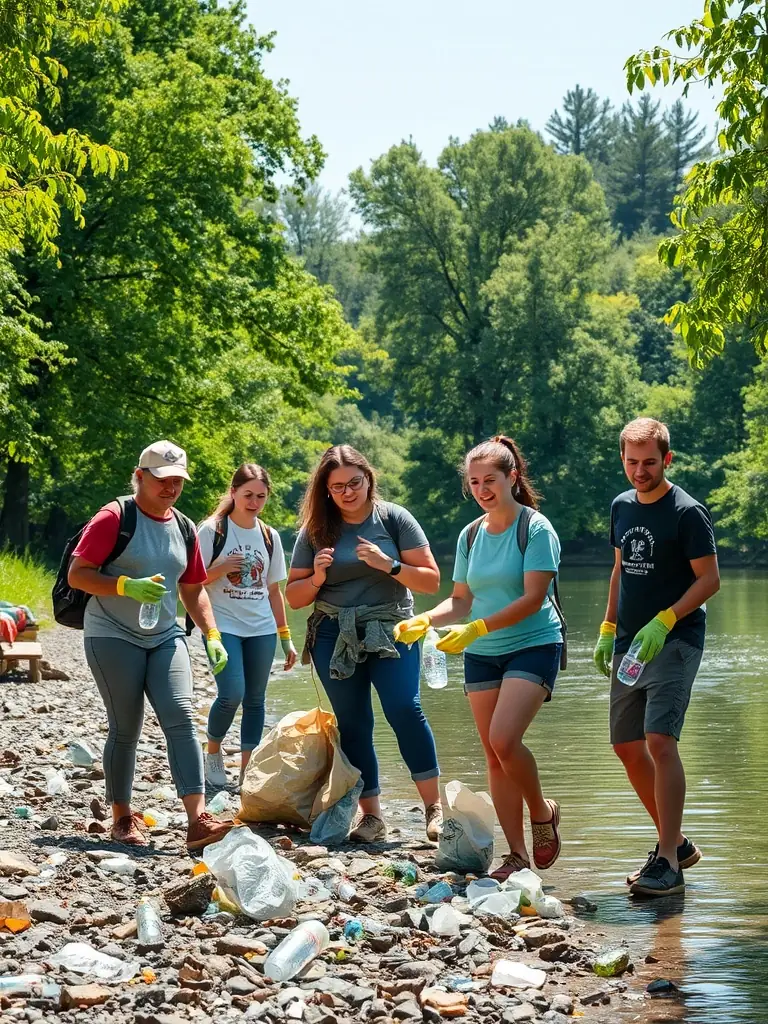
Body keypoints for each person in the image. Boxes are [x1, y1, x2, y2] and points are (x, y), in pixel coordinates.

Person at [395, 436, 564, 881]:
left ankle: (542, 812)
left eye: (490, 480)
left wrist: (476, 628)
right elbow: (461, 600)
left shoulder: (536, 529)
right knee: (493, 754)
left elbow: (532, 599)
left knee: (505, 740)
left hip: (534, 643)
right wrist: (426, 620)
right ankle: (516, 856)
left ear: (513, 477)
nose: (482, 489)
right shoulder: (470, 534)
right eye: (474, 482)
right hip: (483, 652)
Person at [68, 440, 234, 851]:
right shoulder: (113, 517)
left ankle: (197, 820)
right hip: (112, 632)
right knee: (126, 725)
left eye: (178, 480)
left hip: (164, 635)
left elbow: (193, 588)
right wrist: (125, 584)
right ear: (140, 477)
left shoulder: (184, 527)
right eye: (162, 480)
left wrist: (212, 634)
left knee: (180, 715)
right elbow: (77, 574)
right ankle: (122, 817)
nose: (171, 488)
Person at [286, 444, 442, 843]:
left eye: (354, 483)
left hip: (393, 628)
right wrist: (318, 577)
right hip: (333, 633)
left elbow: (430, 580)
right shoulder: (315, 531)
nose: (348, 492)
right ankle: (371, 816)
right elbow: (295, 597)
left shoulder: (394, 519)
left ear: (369, 478)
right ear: (326, 490)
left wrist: (388, 564)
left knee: (404, 708)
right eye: (337, 487)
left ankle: (434, 809)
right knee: (353, 722)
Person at [593, 418, 720, 897]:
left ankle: (667, 859)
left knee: (659, 739)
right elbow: (620, 570)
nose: (640, 471)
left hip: (675, 638)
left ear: (666, 460)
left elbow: (709, 581)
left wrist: (666, 620)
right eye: (632, 461)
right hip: (630, 642)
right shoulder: (621, 506)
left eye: (649, 462)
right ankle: (678, 842)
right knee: (626, 746)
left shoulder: (687, 512)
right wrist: (608, 628)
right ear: (623, 460)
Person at [197, 463, 297, 789]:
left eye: (261, 496)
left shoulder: (270, 537)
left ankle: (246, 771)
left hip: (262, 629)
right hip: (222, 625)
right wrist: (221, 566)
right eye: (248, 495)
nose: (254, 502)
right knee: (231, 694)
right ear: (233, 493)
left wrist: (286, 638)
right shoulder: (212, 531)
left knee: (256, 700)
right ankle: (212, 753)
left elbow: (273, 590)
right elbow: (191, 582)